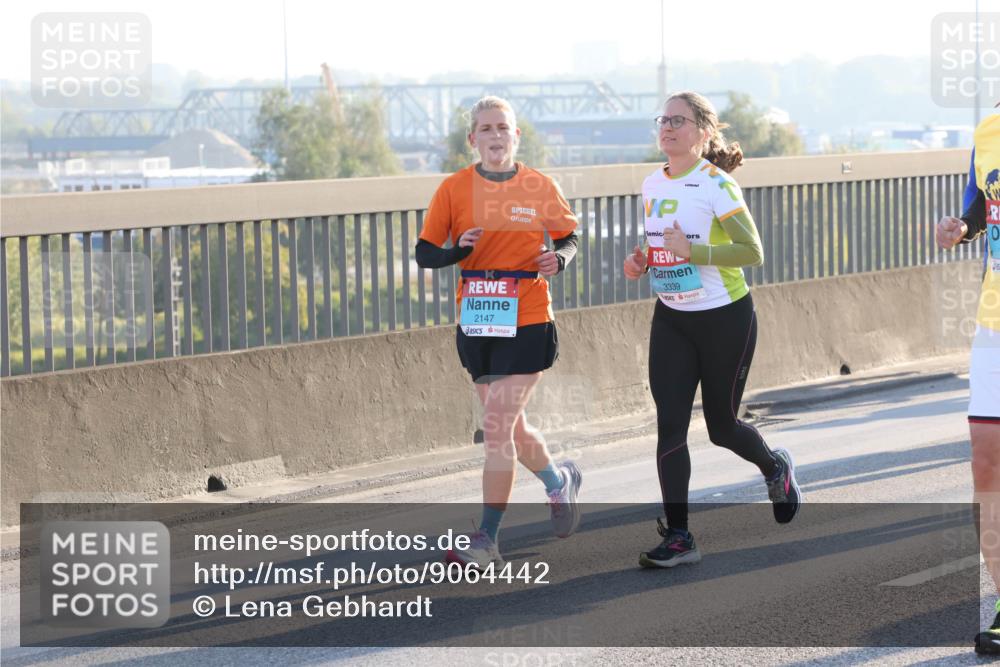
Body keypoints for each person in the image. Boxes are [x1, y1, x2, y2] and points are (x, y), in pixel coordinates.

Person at [623, 91, 802, 568]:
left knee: (721, 428)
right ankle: (679, 535)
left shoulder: (717, 185)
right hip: (672, 318)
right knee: (670, 426)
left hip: (725, 317)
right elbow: (661, 241)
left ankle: (774, 465)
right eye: (663, 119)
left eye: (679, 120)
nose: (668, 127)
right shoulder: (650, 184)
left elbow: (752, 252)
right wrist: (642, 260)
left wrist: (694, 254)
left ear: (703, 132)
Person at [415, 96, 583, 568]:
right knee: (509, 425)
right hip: (478, 322)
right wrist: (456, 251)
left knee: (495, 428)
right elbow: (425, 252)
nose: (495, 136)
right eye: (485, 128)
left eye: (502, 128)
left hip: (528, 317)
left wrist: (560, 258)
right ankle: (558, 482)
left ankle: (487, 539)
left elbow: (570, 235)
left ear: (516, 136)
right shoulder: (453, 189)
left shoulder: (538, 186)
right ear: (473, 139)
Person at [934, 111, 1000, 655]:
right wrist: (963, 227)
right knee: (986, 461)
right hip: (995, 322)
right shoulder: (990, 128)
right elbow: (982, 205)